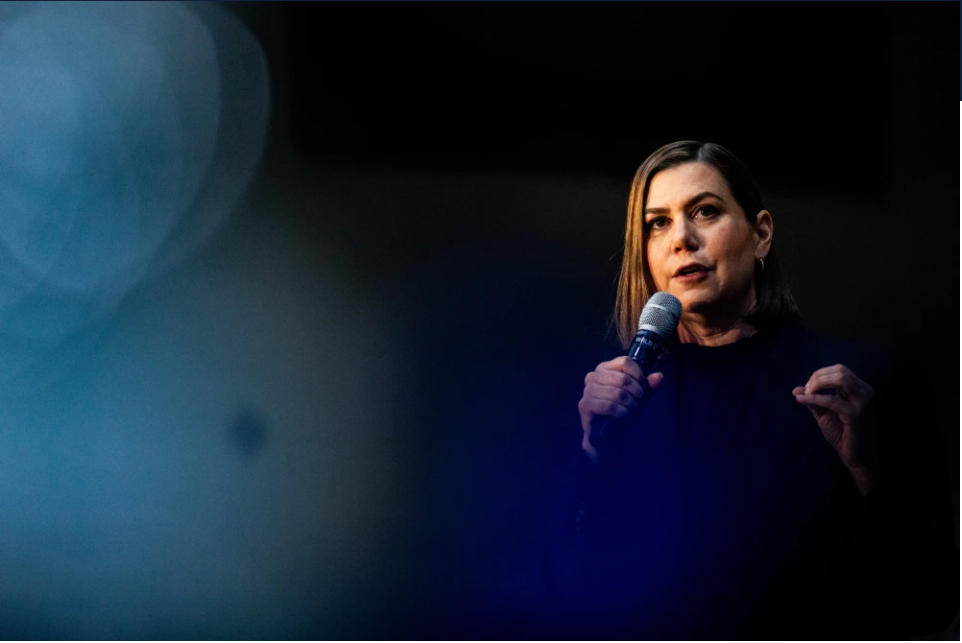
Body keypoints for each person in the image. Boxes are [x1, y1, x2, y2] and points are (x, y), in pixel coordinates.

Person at [538, 141, 958, 640]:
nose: (681, 239)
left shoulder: (858, 390)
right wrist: (594, 454)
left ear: (761, 235)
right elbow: (561, 594)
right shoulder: (614, 405)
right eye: (658, 223)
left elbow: (932, 603)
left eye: (705, 211)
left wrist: (872, 474)